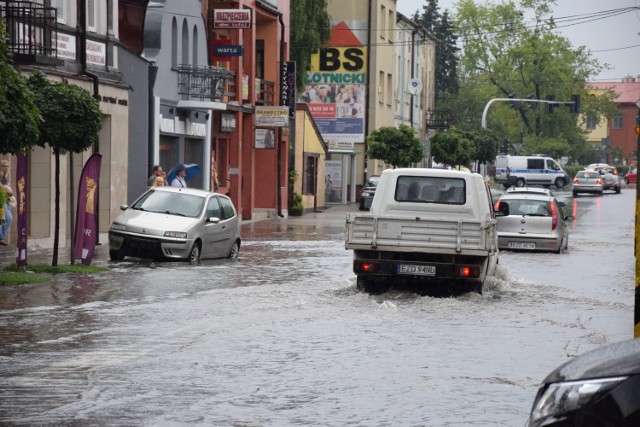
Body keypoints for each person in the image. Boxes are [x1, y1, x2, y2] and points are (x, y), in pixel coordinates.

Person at [0, 159, 14, 245]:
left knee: (7, 218)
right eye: (4, 166)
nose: (6, 168)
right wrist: (8, 191)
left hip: (4, 199)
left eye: (7, 166)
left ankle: (1, 237)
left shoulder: (5, 177)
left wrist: (8, 192)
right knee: (5, 218)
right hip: (1, 200)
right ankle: (1, 237)